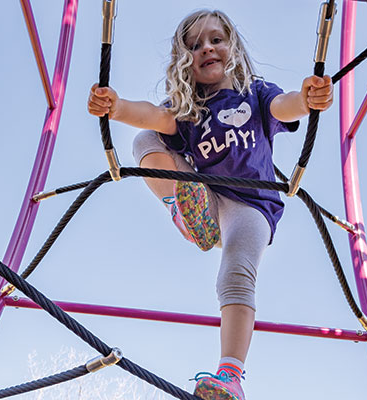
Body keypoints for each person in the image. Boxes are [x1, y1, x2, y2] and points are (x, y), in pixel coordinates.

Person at [87, 9, 333, 400]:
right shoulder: (189, 110)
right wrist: (116, 108)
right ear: (185, 60)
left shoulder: (255, 93)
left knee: (236, 274)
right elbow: (153, 115)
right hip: (205, 199)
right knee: (144, 140)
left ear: (231, 46)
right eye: (194, 45)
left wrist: (307, 98)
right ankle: (181, 210)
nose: (206, 48)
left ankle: (230, 376)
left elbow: (283, 107)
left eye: (215, 39)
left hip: (251, 207)